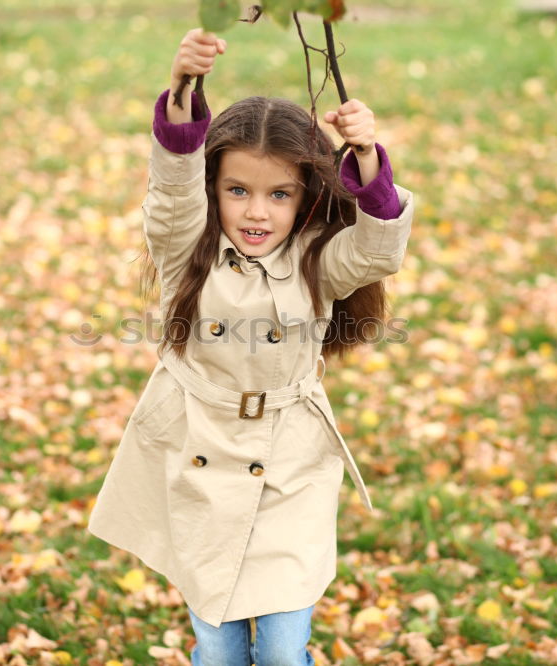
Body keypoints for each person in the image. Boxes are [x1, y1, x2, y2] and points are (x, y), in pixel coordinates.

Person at [87, 27, 415, 665]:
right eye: (237, 190)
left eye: (278, 194)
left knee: (286, 654)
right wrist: (183, 87)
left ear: (307, 195)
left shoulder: (319, 260)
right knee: (218, 651)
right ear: (213, 189)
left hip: (290, 467)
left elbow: (380, 248)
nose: (256, 212)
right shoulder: (187, 250)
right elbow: (173, 192)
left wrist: (368, 155)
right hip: (199, 457)